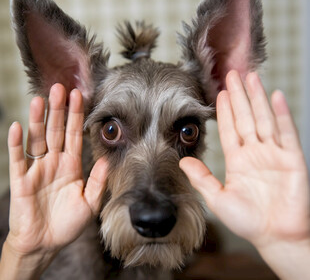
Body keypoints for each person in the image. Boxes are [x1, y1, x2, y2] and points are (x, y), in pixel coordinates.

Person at [0, 71, 309, 279]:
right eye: (111, 131)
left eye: (187, 132)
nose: (152, 208)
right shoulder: (70, 244)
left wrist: (290, 246)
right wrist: (23, 255)